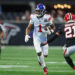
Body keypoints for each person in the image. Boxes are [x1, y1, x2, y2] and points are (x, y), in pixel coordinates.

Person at [25, 3, 55, 75]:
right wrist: (26, 35)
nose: (37, 12)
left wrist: (50, 30)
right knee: (38, 52)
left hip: (44, 39)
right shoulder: (33, 17)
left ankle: (40, 59)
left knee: (45, 55)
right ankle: (44, 68)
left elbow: (53, 27)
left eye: (39, 11)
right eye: (37, 11)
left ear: (43, 11)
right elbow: (28, 27)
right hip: (36, 38)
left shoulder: (48, 17)